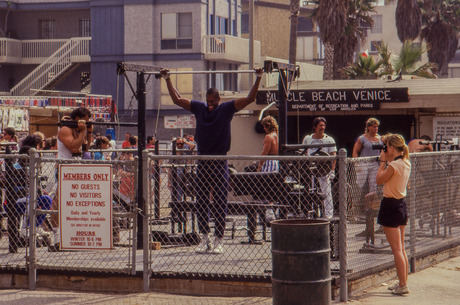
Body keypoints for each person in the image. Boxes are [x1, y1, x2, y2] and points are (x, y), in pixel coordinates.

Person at [160, 67, 263, 254]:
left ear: (218, 100)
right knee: (201, 202)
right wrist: (167, 79)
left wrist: (258, 77)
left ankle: (218, 239)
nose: (210, 106)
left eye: (213, 103)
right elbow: (177, 99)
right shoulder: (200, 107)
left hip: (219, 160)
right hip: (203, 160)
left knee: (220, 202)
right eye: (208, 102)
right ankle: (205, 237)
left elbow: (250, 99)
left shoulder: (226, 108)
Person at [376, 133, 411, 296]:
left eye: (387, 146)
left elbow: (379, 179)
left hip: (390, 205)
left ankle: (403, 285)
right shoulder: (405, 162)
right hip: (401, 205)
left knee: (396, 249)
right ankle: (402, 281)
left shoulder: (393, 166)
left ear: (392, 148)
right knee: (401, 248)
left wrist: (382, 161)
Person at [352, 118, 384, 244]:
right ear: (369, 127)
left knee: (373, 187)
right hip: (364, 163)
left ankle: (372, 209)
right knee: (360, 185)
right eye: (374, 126)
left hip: (375, 163)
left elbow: (383, 150)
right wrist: (356, 163)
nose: (376, 129)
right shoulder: (362, 138)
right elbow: (355, 151)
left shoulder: (380, 138)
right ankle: (356, 208)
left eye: (377, 127)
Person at [302, 117, 337, 219]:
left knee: (326, 192)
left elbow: (333, 156)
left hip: (324, 170)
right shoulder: (308, 139)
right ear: (315, 126)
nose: (322, 127)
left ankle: (328, 215)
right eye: (320, 125)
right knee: (310, 191)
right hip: (310, 169)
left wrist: (332, 170)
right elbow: (302, 152)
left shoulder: (329, 139)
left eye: (323, 125)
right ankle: (312, 213)